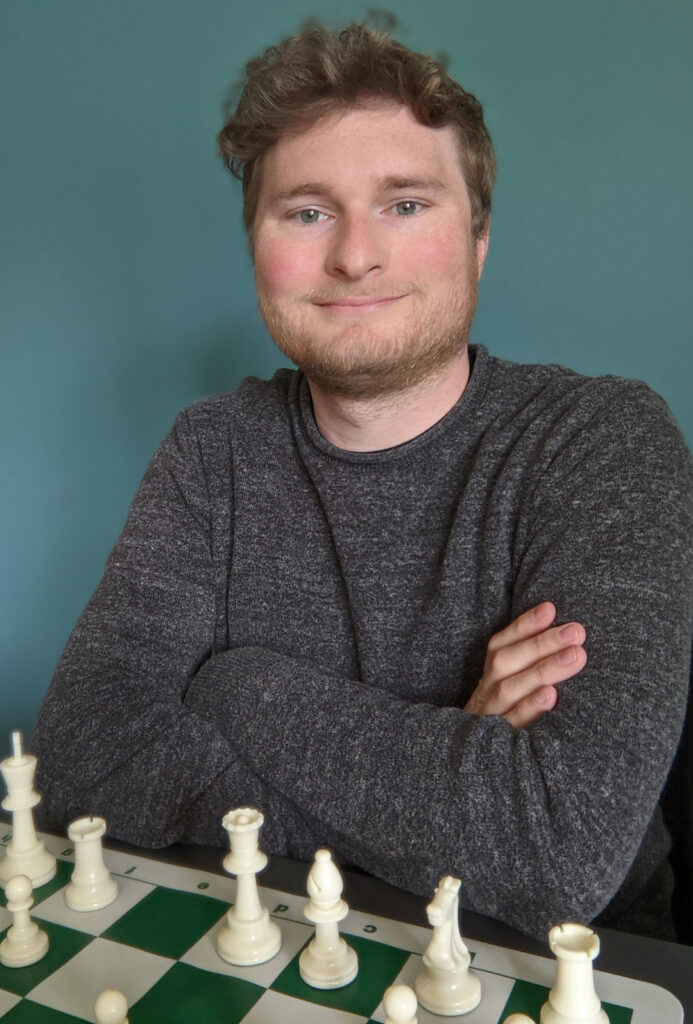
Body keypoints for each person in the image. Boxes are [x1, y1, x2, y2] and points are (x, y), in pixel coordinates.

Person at [33, 22, 693, 942]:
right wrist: (454, 766)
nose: (352, 256)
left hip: (559, 970)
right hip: (264, 936)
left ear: (478, 240)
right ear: (256, 246)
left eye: (406, 204)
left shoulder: (597, 439)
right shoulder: (212, 447)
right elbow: (80, 761)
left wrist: (236, 684)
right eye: (306, 211)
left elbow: (554, 850)